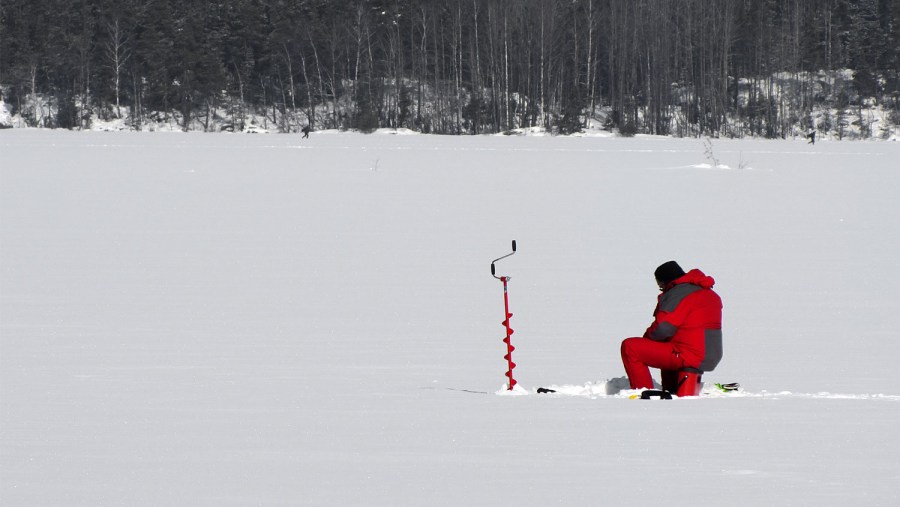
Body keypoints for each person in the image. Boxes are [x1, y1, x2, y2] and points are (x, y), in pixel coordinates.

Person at [620, 261, 723, 391]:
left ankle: (644, 392)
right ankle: (672, 389)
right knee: (669, 346)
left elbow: (663, 327)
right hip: (710, 354)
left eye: (661, 286)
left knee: (631, 347)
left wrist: (646, 342)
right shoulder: (709, 294)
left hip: (689, 354)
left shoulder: (679, 293)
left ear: (665, 282)